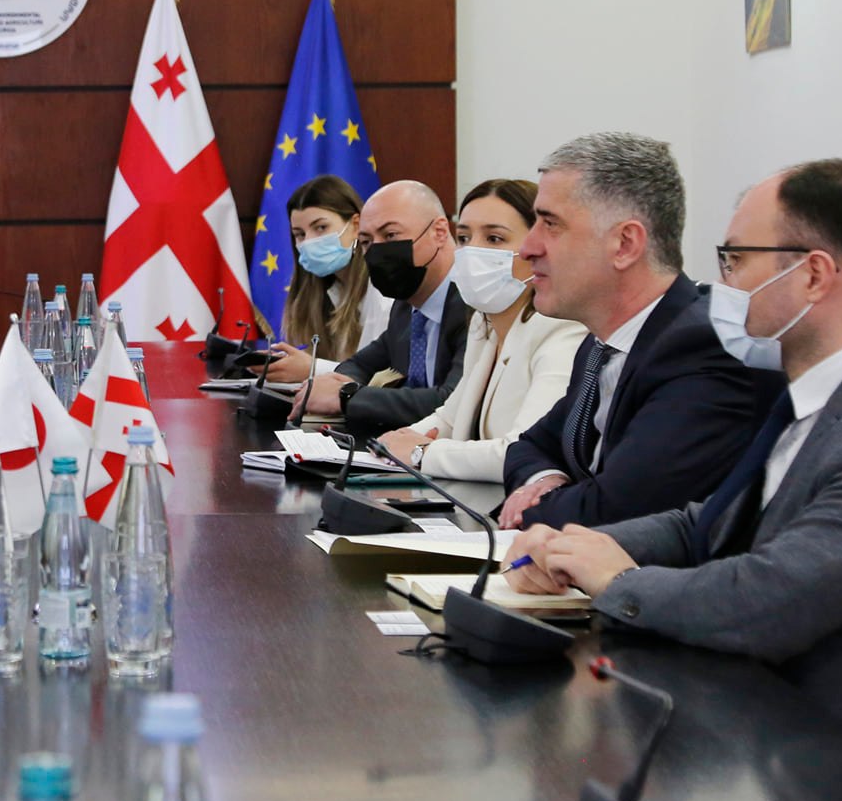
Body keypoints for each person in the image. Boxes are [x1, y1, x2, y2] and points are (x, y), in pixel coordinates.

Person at [506, 159, 842, 796]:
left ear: (814, 276)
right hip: (758, 727)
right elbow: (710, 524)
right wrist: (577, 547)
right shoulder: (825, 394)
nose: (720, 284)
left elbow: (764, 602)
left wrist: (618, 582)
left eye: (735, 259)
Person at [499, 133, 774, 530]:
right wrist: (545, 479)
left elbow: (615, 513)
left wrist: (532, 509)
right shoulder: (601, 344)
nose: (528, 248)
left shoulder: (704, 348)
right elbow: (529, 446)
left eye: (551, 224)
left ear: (625, 244)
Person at [377, 180, 588, 483]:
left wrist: (421, 453)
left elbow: (523, 451)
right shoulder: (483, 324)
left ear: (537, 249)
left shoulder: (563, 330)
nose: (473, 250)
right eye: (464, 237)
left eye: (494, 238)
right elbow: (449, 418)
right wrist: (388, 445)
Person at [290, 180, 471, 438]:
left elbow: (450, 402)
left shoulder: (472, 304)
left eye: (390, 235)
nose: (377, 251)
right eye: (366, 242)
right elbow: (361, 363)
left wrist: (345, 396)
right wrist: (333, 384)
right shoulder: (405, 305)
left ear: (439, 232)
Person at [259, 174, 393, 380]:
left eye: (321, 228)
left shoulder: (382, 285)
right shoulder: (322, 289)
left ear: (356, 226)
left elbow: (382, 377)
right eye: (300, 234)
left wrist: (312, 368)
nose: (309, 242)